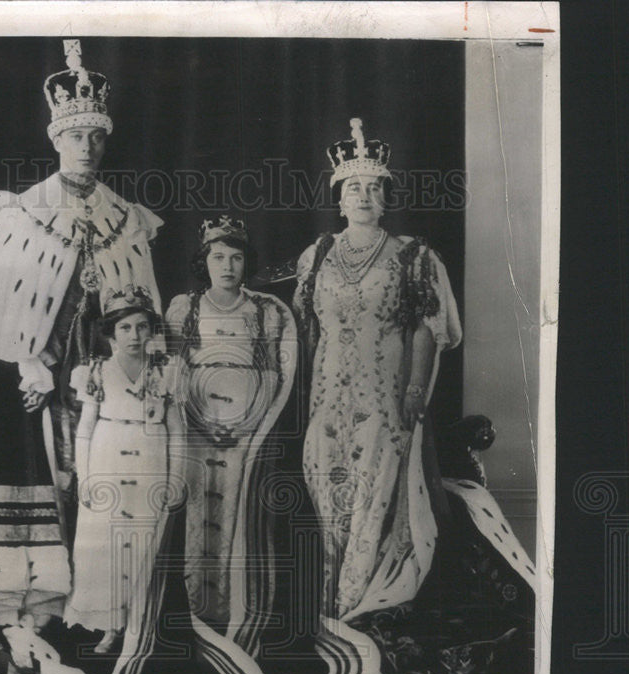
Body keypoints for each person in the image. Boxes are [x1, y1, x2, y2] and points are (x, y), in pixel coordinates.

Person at [0, 39, 162, 628]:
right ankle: (37, 596)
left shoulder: (127, 217)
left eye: (97, 137)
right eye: (77, 137)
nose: (88, 148)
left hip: (104, 371)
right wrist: (28, 361)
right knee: (47, 465)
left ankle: (102, 606)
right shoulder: (22, 213)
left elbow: (141, 307)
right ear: (57, 140)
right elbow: (0, 308)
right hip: (36, 370)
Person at [294, 119, 462, 622]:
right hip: (327, 394)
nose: (363, 196)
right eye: (353, 188)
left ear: (385, 197)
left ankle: (359, 601)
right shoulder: (317, 254)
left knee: (374, 484)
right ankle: (324, 599)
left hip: (385, 391)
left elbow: (427, 327)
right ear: (338, 198)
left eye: (373, 188)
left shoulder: (413, 255)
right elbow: (305, 331)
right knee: (326, 481)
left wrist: (415, 388)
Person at [165, 216, 295, 635]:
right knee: (199, 514)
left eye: (236, 258)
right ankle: (196, 612)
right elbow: (176, 371)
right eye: (218, 257)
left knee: (241, 516)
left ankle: (237, 612)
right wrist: (200, 421)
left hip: (245, 432)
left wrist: (247, 425)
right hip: (197, 430)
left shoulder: (264, 311)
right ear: (204, 262)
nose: (227, 266)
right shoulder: (184, 308)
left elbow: (273, 375)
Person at [64, 286, 186, 653]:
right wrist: (85, 477)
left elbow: (177, 430)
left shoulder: (167, 371)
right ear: (111, 333)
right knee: (105, 545)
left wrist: (175, 477)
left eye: (142, 327)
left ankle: (139, 625)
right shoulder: (97, 371)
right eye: (126, 329)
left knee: (143, 540)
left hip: (150, 458)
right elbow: (84, 429)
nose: (135, 336)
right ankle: (109, 626)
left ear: (152, 330)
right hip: (107, 457)